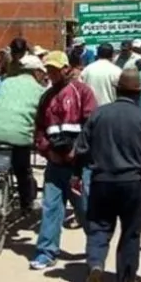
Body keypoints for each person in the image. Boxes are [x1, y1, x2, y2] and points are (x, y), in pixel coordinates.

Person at [74, 69, 141, 282]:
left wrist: (77, 174)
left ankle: (95, 264)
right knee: (131, 232)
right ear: (138, 94)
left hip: (102, 181)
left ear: (117, 90)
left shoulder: (99, 115)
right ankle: (126, 280)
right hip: (132, 183)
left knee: (99, 227)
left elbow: (80, 149)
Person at [30, 51, 98, 270]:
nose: (50, 73)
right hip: (55, 163)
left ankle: (96, 251)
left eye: (54, 69)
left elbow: (91, 127)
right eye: (48, 69)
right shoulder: (46, 97)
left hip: (79, 165)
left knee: (85, 208)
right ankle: (46, 252)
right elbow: (39, 129)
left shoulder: (82, 92)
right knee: (51, 207)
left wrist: (77, 151)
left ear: (66, 69)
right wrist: (47, 150)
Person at [0, 54, 47, 214]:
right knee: (22, 171)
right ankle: (26, 205)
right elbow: (42, 117)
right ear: (36, 72)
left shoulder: (6, 82)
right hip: (19, 138)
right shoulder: (40, 90)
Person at [80, 43, 122, 107]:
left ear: (97, 54)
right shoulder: (117, 71)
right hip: (110, 109)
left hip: (91, 111)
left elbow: (80, 89)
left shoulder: (87, 70)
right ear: (112, 55)